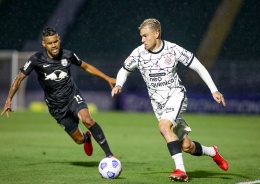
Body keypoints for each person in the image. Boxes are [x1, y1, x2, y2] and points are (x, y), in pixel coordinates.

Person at [111, 18, 228, 182]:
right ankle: (213, 152)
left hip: (175, 96)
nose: (142, 40)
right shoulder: (138, 53)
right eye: (141, 37)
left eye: (145, 36)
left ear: (157, 33)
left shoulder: (173, 50)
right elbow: (124, 70)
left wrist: (214, 89)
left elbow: (198, 66)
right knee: (187, 146)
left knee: (164, 127)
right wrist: (119, 84)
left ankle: (181, 170)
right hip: (158, 106)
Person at [1, 27, 115, 158]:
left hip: (72, 96)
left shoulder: (68, 55)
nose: (54, 45)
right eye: (50, 43)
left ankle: (109, 155)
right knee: (78, 140)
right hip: (56, 106)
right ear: (44, 44)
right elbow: (19, 78)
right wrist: (9, 99)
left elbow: (86, 66)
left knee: (87, 120)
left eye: (55, 41)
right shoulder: (36, 59)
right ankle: (86, 138)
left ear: (59, 39)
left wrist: (107, 78)